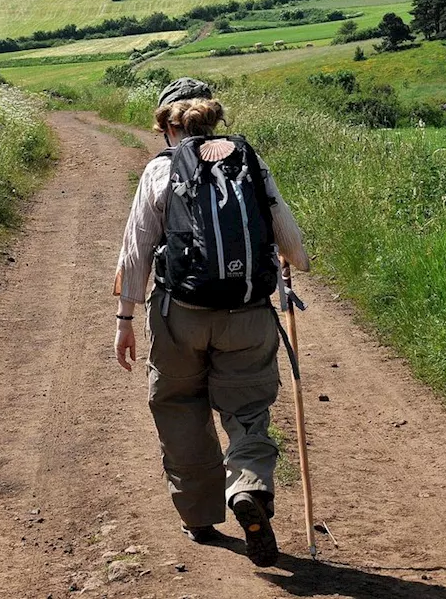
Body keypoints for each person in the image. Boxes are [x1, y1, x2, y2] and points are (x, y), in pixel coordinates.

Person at [113, 77, 310, 567]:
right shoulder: (251, 163)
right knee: (247, 409)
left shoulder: (160, 171)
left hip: (181, 315)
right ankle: (248, 486)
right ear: (216, 119)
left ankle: (200, 517)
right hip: (247, 315)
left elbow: (136, 249)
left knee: (179, 407)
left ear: (167, 128)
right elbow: (294, 245)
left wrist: (125, 318)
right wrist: (287, 266)